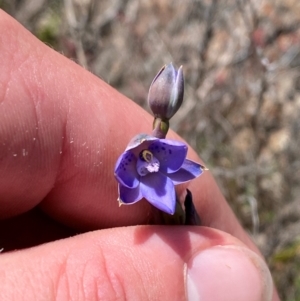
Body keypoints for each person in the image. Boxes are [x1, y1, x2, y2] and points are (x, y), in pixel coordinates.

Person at [0, 10, 279, 301]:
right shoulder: (131, 186)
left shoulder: (165, 163)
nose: (150, 160)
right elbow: (135, 188)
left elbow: (176, 173)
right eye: (141, 156)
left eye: (150, 154)